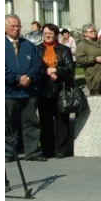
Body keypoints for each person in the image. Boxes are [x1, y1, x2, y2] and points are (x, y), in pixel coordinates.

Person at [5, 14, 45, 162]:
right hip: (9, 93)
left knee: (31, 123)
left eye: (18, 26)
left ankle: (32, 152)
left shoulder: (29, 45)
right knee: (8, 125)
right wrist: (16, 78)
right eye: (12, 26)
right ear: (4, 28)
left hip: (28, 92)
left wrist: (28, 77)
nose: (16, 29)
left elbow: (38, 65)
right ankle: (9, 152)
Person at [36, 23, 75, 159]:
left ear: (56, 35)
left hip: (61, 89)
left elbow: (70, 69)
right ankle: (47, 149)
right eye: (46, 33)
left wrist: (56, 70)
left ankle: (60, 150)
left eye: (51, 34)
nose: (48, 35)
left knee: (61, 121)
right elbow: (35, 68)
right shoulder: (37, 49)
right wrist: (46, 71)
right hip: (44, 90)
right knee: (45, 122)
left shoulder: (64, 50)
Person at [74, 23, 101, 95]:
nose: (94, 33)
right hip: (93, 76)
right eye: (91, 31)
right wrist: (95, 59)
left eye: (94, 31)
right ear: (85, 33)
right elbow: (79, 59)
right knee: (96, 98)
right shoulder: (82, 45)